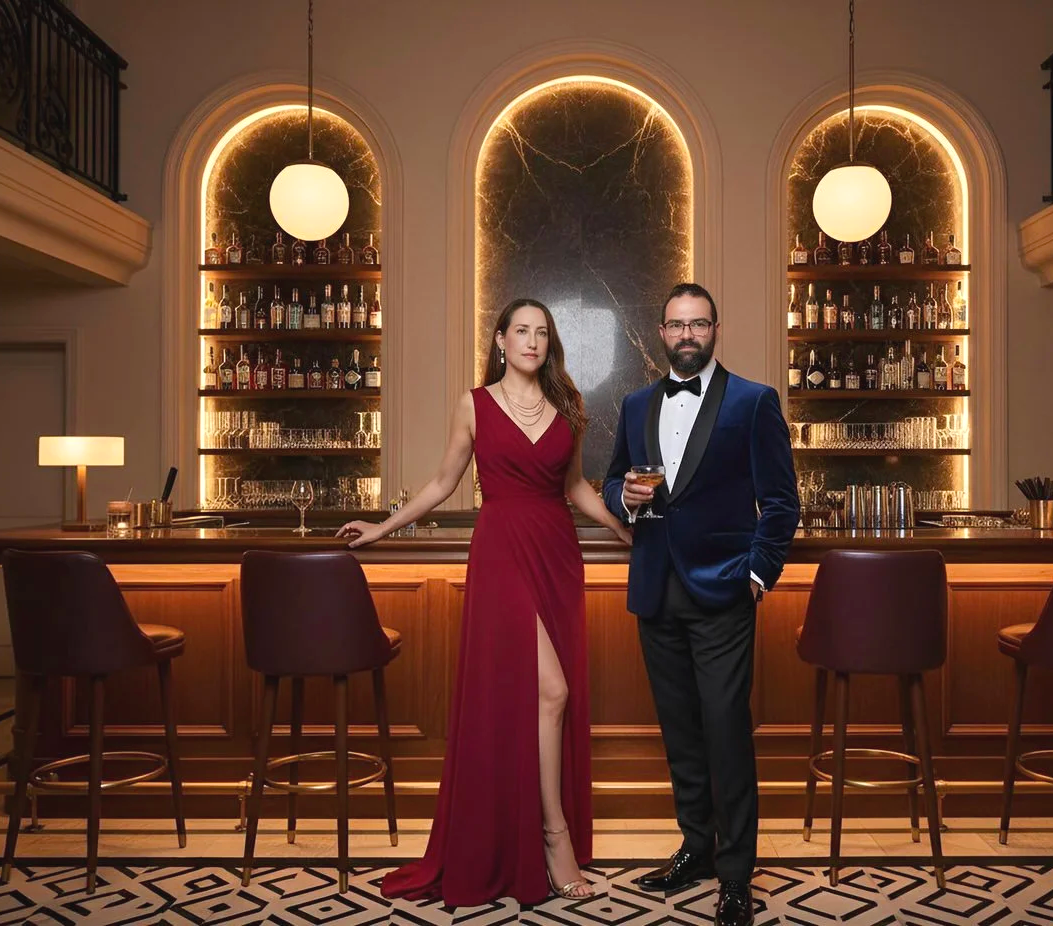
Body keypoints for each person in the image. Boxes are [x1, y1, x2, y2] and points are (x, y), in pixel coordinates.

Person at [340, 298, 631, 906]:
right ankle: (555, 837)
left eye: (541, 333)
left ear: (549, 344)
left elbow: (576, 485)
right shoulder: (473, 404)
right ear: (500, 340)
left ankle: (538, 832)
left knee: (547, 695)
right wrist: (381, 528)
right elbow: (445, 482)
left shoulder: (568, 409)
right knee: (550, 692)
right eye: (521, 331)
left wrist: (625, 530)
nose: (531, 341)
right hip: (500, 552)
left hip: (555, 553)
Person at [602, 283, 799, 926]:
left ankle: (737, 875)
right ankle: (697, 846)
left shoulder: (753, 401)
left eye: (698, 325)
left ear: (716, 329)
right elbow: (611, 480)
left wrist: (758, 575)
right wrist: (624, 498)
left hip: (723, 590)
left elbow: (781, 502)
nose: (687, 335)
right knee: (681, 731)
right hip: (656, 586)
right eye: (676, 325)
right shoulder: (635, 404)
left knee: (725, 731)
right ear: (661, 332)